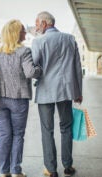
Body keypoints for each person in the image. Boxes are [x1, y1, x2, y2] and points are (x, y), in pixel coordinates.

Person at [31, 11, 83, 177]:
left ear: (45, 24)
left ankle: (51, 170)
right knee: (66, 127)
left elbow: (34, 68)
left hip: (45, 90)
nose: (36, 27)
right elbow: (77, 67)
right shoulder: (70, 39)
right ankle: (68, 166)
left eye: (37, 24)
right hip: (66, 91)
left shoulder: (38, 41)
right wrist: (78, 91)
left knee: (47, 130)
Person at [0, 19, 42, 177]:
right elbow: (31, 73)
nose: (25, 32)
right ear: (16, 33)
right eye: (23, 30)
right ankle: (15, 171)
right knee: (18, 134)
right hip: (18, 99)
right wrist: (39, 68)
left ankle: (4, 170)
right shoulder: (24, 52)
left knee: (4, 134)